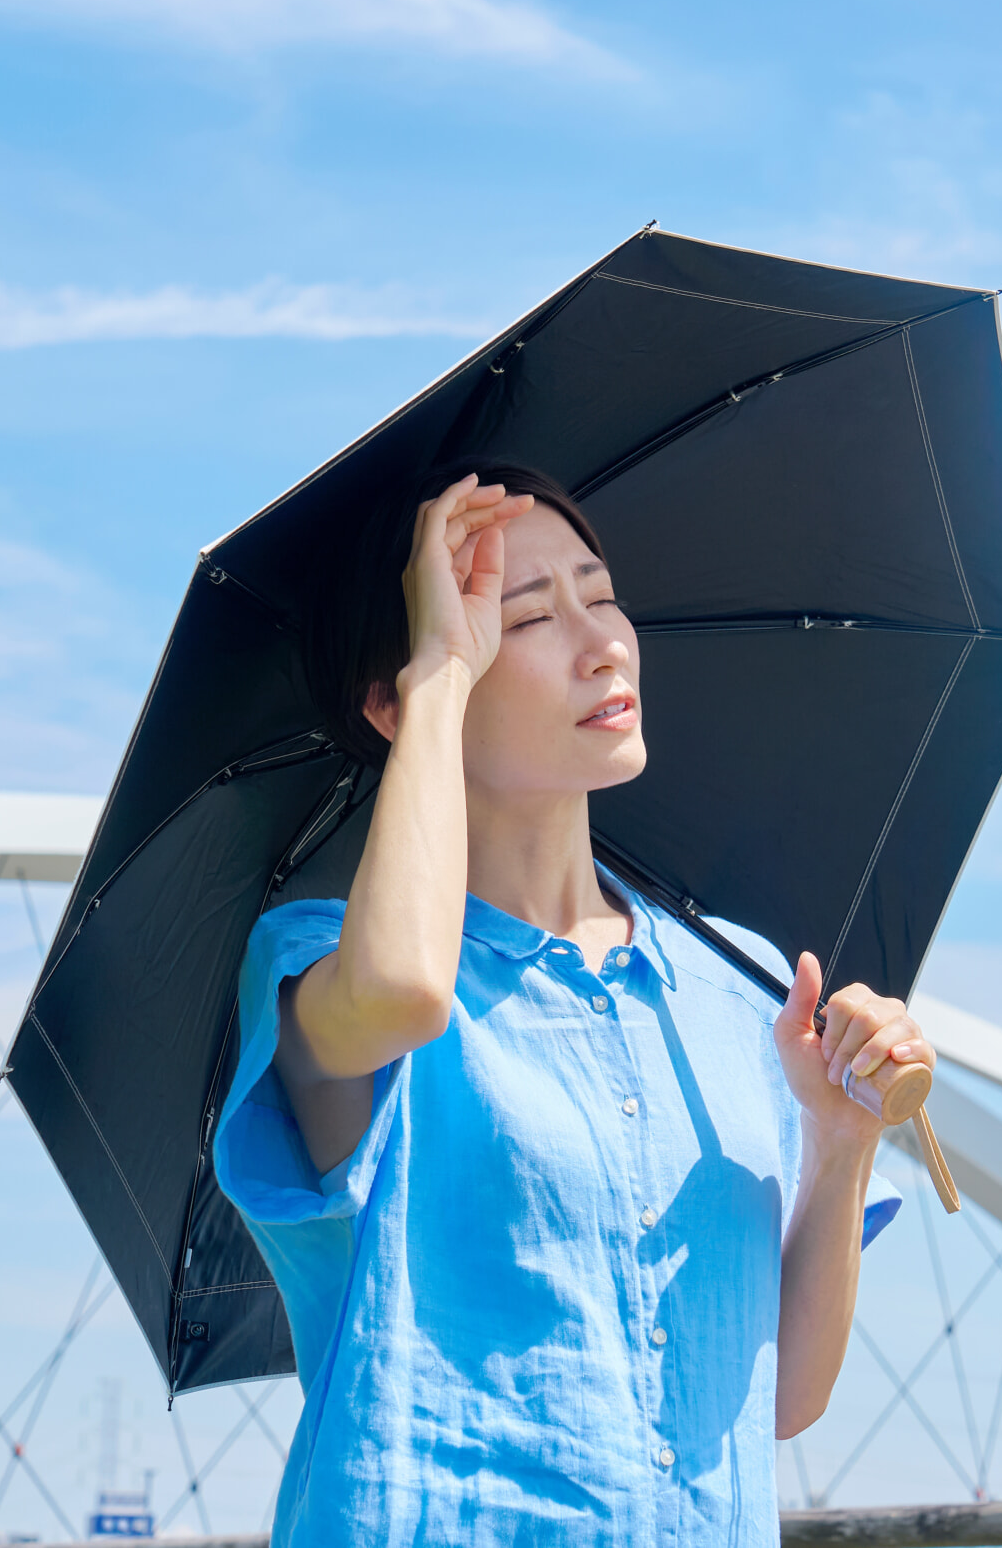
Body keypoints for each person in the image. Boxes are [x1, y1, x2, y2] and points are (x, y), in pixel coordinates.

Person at [209, 460, 936, 1545]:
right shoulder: (319, 958)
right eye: (526, 617)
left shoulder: (738, 985)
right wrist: (440, 675)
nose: (602, 642)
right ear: (392, 700)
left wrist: (840, 1144)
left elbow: (780, 1401)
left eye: (600, 594)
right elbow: (406, 997)